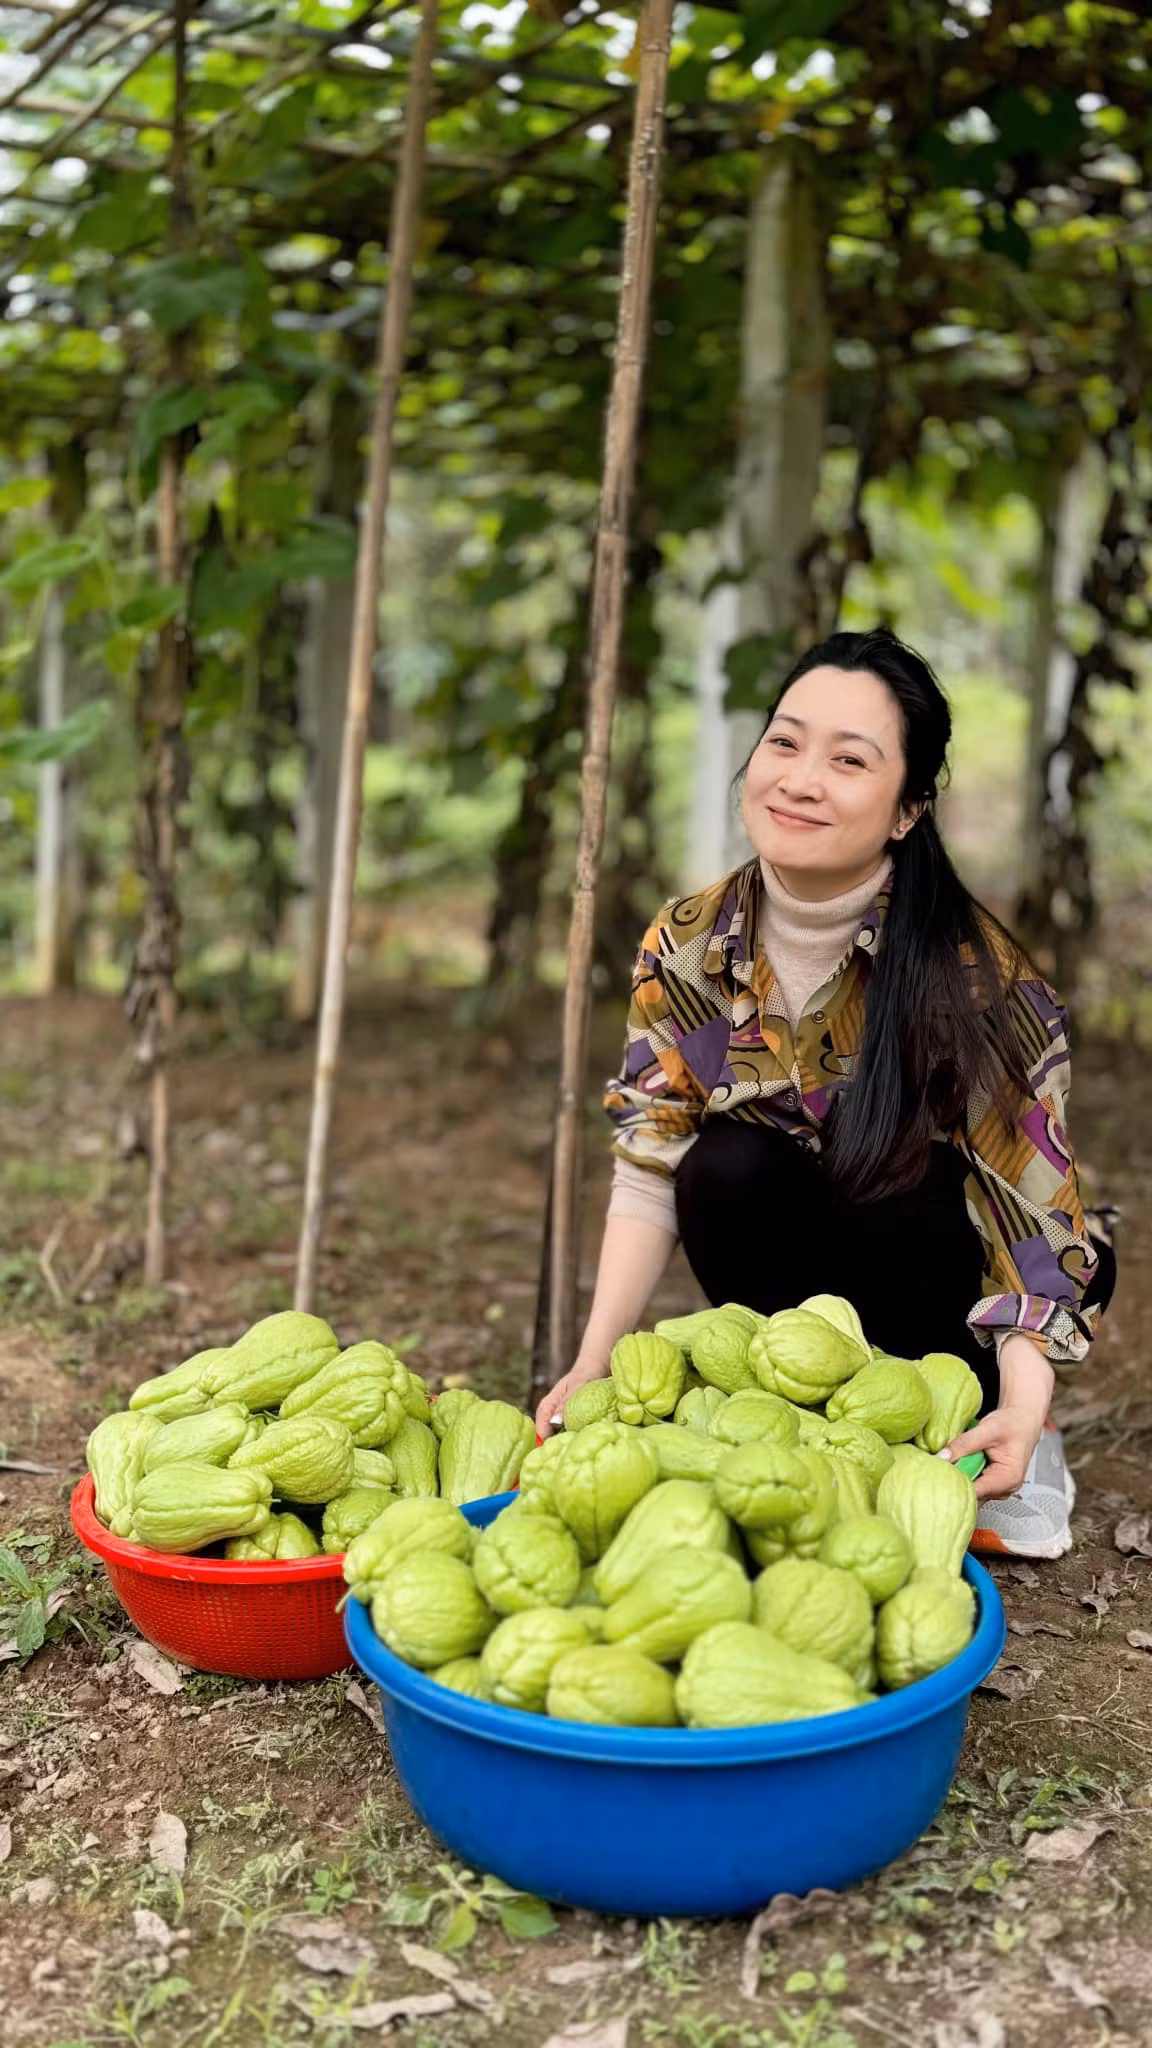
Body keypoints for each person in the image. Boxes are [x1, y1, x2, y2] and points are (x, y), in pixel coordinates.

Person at [534, 627, 1116, 1560]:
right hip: (797, 1294)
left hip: (933, 1266)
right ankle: (799, 1411)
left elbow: (1029, 1214)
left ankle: (988, 1431)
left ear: (906, 810)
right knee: (722, 1167)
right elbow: (651, 1157)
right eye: (785, 742)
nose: (801, 778)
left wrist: (1023, 1397)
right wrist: (594, 1359)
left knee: (895, 1179)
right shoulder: (686, 946)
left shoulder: (978, 979)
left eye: (849, 760)